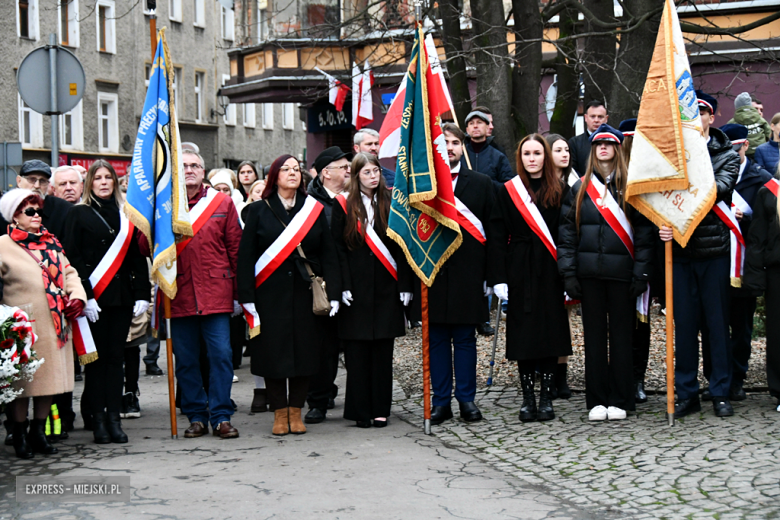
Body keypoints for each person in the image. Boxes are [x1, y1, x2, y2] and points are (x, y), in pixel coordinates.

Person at [237, 154, 341, 436]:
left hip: (306, 295)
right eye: (286, 169)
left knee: (305, 355)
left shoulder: (313, 209)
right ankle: (279, 414)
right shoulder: (258, 210)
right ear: (275, 176)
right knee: (273, 356)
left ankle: (296, 412)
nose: (292, 173)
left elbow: (328, 253)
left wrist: (334, 292)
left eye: (296, 169)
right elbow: (246, 257)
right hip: (268, 296)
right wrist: (246, 296)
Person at [558, 124, 654, 422]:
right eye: (598, 144)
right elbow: (567, 236)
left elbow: (645, 236)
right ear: (592, 150)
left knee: (623, 339)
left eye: (609, 144)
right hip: (589, 276)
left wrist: (641, 275)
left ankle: (621, 398)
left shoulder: (632, 187)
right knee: (595, 339)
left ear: (618, 148)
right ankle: (597, 400)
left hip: (623, 276)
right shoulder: (579, 188)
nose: (603, 148)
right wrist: (569, 274)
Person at [146, 150, 242, 439]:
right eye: (184, 166)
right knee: (186, 360)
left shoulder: (222, 202)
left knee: (221, 356)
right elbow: (144, 246)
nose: (189, 170)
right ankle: (197, 416)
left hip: (216, 292)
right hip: (178, 293)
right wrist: (151, 217)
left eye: (195, 166)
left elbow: (235, 248)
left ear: (203, 171)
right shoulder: (164, 205)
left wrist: (240, 295)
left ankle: (221, 416)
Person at [659, 91, 740, 419]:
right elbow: (660, 196)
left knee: (717, 325)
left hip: (713, 252)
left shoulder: (726, 153)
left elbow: (719, 189)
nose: (695, 119)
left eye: (701, 113)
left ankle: (720, 391)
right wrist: (662, 225)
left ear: (711, 117)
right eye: (689, 114)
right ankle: (687, 392)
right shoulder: (671, 156)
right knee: (685, 325)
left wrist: (691, 167)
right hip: (680, 251)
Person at [63, 160, 151, 444]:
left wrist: (142, 293)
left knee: (116, 359)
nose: (103, 182)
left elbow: (137, 257)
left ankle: (115, 418)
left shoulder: (127, 215)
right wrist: (85, 295)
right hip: (95, 300)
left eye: (108, 177)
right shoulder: (78, 213)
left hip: (122, 297)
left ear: (115, 181)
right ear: (89, 183)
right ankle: (98, 419)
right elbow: (72, 257)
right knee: (96, 362)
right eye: (98, 177)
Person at [488, 134, 572, 422]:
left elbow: (568, 235)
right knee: (523, 334)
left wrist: (569, 274)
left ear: (545, 156)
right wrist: (498, 277)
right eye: (527, 154)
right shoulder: (508, 191)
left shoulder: (560, 190)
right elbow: (496, 236)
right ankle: (527, 398)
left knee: (550, 333)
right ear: (520, 157)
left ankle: (546, 397)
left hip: (551, 269)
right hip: (519, 268)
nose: (532, 158)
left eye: (537, 153)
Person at [0, 189, 87, 458]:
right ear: (15, 216)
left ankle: (39, 432)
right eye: (29, 211)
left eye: (38, 211)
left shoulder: (51, 242)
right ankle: (19, 433)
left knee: (48, 383)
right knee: (22, 385)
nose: (37, 215)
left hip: (54, 324)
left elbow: (69, 272)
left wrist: (78, 297)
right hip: (20, 327)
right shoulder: (3, 244)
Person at [331, 153, 413, 427]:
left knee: (382, 353)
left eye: (376, 171)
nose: (373, 176)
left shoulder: (392, 201)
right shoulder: (343, 204)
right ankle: (360, 410)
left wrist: (405, 284)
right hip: (355, 289)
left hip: (387, 287)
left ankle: (380, 408)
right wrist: (341, 286)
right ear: (356, 176)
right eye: (366, 172)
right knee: (357, 353)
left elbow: (403, 245)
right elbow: (337, 250)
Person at [421, 123, 494, 425]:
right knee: (437, 341)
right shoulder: (423, 184)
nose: (448, 148)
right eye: (443, 142)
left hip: (469, 275)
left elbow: (493, 231)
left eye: (454, 142)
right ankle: (441, 402)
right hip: (434, 274)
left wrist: (492, 276)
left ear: (462, 146)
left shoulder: (481, 183)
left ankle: (466, 399)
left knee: (465, 340)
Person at [709, 124, 772, 400]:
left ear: (746, 145)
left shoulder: (761, 179)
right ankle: (715, 377)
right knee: (714, 323)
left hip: (745, 263)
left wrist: (746, 218)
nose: (732, 153)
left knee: (741, 326)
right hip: (716, 257)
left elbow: (769, 220)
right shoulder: (711, 172)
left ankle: (737, 378)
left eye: (736, 148)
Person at [302, 146, 351, 424]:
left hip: (354, 284)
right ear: (325, 173)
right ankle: (318, 400)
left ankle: (358, 399)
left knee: (354, 346)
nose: (348, 171)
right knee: (324, 347)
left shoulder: (356, 199)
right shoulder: (311, 205)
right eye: (343, 167)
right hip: (324, 285)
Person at [743, 161, 780, 413]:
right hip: (777, 273)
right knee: (777, 334)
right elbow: (757, 239)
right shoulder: (768, 192)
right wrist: (755, 280)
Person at [544, 133, 577, 399]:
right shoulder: (535, 189)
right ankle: (544, 372)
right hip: (543, 260)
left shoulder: (574, 186)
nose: (564, 154)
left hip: (565, 258)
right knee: (546, 318)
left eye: (566, 149)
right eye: (558, 150)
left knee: (563, 320)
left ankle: (561, 375)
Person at [14, 160, 73, 240]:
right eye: (32, 179)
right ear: (19, 181)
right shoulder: (5, 209)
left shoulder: (64, 210)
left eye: (42, 181)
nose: (37, 185)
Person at [462, 111, 514, 191]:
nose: (475, 126)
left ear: (487, 128)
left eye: (479, 122)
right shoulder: (460, 155)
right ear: (467, 130)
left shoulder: (498, 157)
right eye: (471, 123)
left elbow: (508, 187)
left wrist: (486, 183)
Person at [569, 100, 609, 177]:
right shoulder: (574, 143)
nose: (596, 120)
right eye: (592, 116)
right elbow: (573, 171)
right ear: (586, 118)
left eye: (600, 117)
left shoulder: (614, 142)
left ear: (606, 118)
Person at [727, 92, 772, 158]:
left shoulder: (732, 122)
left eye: (761, 110)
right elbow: (770, 135)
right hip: (760, 153)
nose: (759, 112)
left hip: (742, 154)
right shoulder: (761, 121)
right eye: (756, 109)